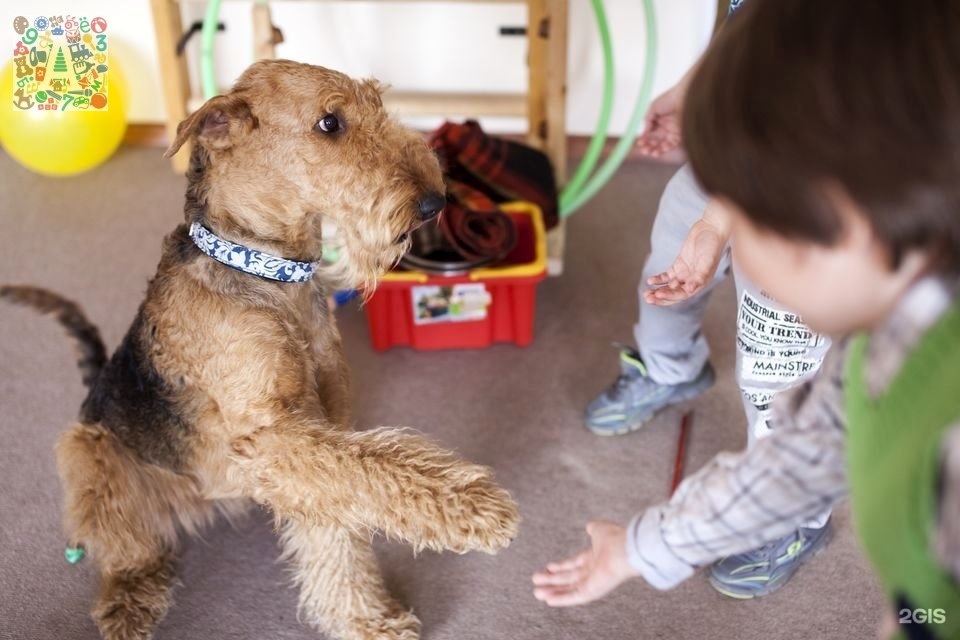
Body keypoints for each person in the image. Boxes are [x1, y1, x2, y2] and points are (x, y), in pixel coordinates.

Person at [535, 1, 960, 637]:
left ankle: (799, 531)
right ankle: (670, 367)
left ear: (844, 224)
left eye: (749, 224)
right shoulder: (881, 353)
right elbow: (803, 455)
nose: (741, 254)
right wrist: (640, 549)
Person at [584, 0, 831, 598]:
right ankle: (673, 368)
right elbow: (748, 26)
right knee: (673, 244)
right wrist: (689, 91)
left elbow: (800, 87)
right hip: (743, 151)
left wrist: (720, 222)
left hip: (821, 171)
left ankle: (798, 517)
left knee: (779, 364)